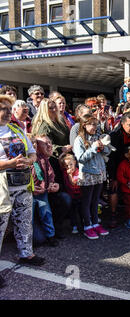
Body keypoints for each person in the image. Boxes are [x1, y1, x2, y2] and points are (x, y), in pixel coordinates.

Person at [0, 95, 44, 287]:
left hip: (22, 184)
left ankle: (26, 253)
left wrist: (29, 160)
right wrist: (9, 163)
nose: (8, 112)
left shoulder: (17, 129)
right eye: (4, 108)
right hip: (3, 187)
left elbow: (33, 153)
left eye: (10, 109)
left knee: (25, 221)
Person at [73, 114, 110, 239]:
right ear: (84, 125)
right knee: (87, 201)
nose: (95, 126)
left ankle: (95, 223)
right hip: (88, 174)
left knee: (95, 201)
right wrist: (94, 148)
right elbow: (81, 158)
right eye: (92, 124)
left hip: (99, 172)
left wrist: (103, 147)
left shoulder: (96, 137)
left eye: (96, 124)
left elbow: (107, 152)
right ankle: (87, 226)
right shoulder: (79, 139)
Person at [30, 135, 59, 247]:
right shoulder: (27, 160)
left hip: (42, 193)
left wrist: (51, 183)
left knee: (46, 213)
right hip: (30, 193)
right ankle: (29, 238)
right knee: (29, 217)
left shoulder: (44, 159)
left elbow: (50, 173)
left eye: (35, 144)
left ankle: (50, 235)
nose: (33, 146)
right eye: (31, 144)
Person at [59, 153, 83, 234]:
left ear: (75, 163)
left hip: (79, 195)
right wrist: (63, 153)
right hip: (71, 196)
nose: (69, 167)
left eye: (71, 164)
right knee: (72, 212)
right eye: (66, 165)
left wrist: (69, 175)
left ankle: (83, 225)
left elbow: (73, 183)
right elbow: (59, 162)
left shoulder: (78, 172)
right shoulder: (65, 171)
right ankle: (74, 226)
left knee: (81, 211)